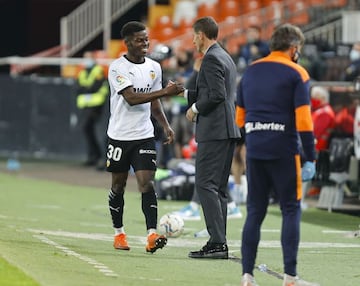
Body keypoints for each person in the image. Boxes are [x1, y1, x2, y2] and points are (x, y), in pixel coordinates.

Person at [236, 24, 318, 286]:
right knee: (291, 210)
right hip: (284, 150)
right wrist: (311, 157)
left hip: (256, 149)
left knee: (254, 212)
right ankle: (290, 276)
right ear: (294, 48)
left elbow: (239, 115)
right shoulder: (298, 73)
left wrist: (252, 140)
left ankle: (247, 275)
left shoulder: (249, 71)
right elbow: (304, 120)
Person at [106, 21, 184, 253]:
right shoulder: (117, 68)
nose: (145, 44)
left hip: (144, 135)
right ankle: (119, 233)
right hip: (119, 136)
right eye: (140, 40)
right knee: (118, 187)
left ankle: (151, 235)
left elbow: (153, 101)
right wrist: (166, 91)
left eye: (147, 40)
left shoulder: (154, 67)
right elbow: (131, 97)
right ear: (127, 42)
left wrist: (165, 125)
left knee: (147, 182)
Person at [183, 16, 241, 259]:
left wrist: (194, 109)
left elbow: (216, 95)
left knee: (205, 184)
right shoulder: (225, 56)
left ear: (202, 35)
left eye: (195, 35)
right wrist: (186, 92)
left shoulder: (211, 58)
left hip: (215, 131)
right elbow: (215, 91)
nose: (193, 40)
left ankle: (217, 242)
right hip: (226, 129)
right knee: (218, 188)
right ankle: (220, 242)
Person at [76, 51, 109, 167]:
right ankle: (94, 156)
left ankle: (101, 157)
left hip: (97, 105)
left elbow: (95, 87)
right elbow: (78, 87)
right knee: (87, 129)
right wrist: (86, 89)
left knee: (96, 130)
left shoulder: (98, 70)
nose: (86, 61)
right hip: (86, 106)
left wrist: (86, 89)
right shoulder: (82, 72)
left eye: (88, 58)